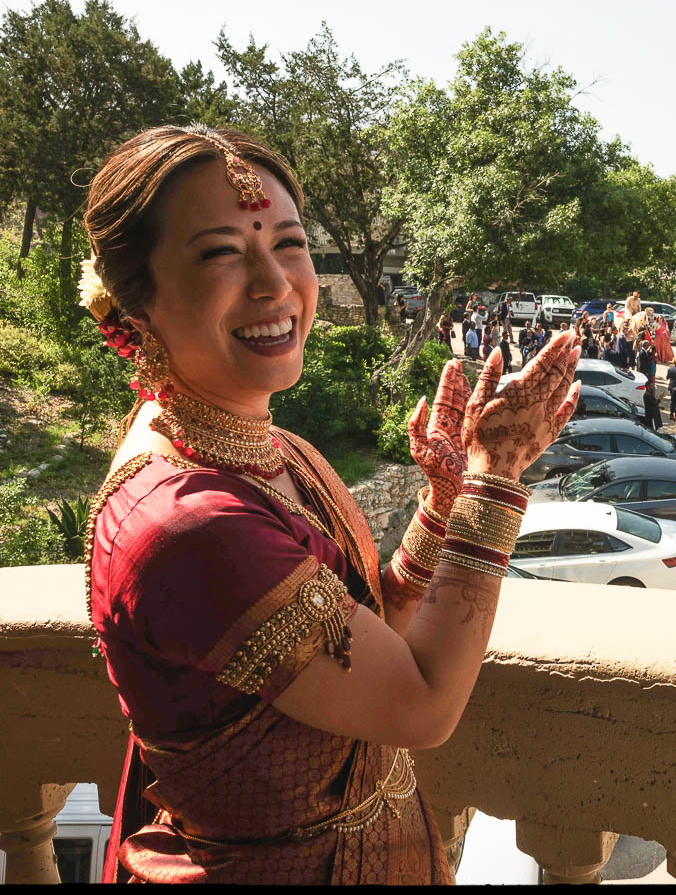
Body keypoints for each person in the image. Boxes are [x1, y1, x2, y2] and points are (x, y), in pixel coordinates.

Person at [78, 125, 581, 884]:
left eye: (289, 243)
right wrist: (498, 475)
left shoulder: (262, 447)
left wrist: (443, 509)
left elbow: (368, 629)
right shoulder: (187, 521)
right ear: (134, 301)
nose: (275, 284)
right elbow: (421, 707)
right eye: (221, 252)